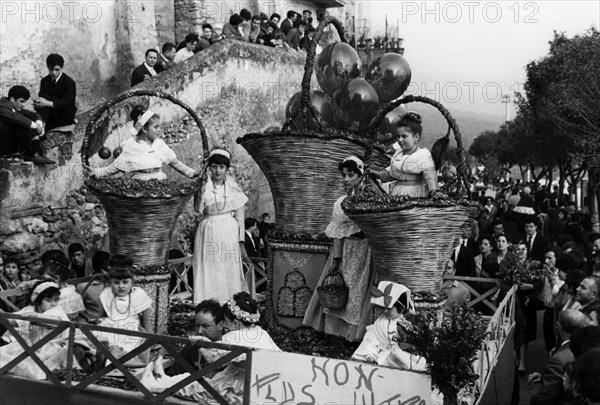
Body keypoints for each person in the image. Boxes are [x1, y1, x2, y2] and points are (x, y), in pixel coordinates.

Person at [141, 292, 280, 403]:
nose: (225, 326)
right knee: (189, 379)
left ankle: (153, 385)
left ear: (236, 323)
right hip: (260, 385)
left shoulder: (233, 337)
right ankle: (162, 377)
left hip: (234, 389)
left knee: (191, 386)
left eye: (226, 322)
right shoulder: (262, 333)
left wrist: (201, 343)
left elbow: (214, 358)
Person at [303, 156, 376, 341]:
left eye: (350, 175)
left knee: (358, 294)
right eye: (343, 175)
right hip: (346, 251)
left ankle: (353, 335)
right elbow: (337, 232)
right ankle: (335, 332)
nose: (345, 179)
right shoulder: (341, 202)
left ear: (360, 176)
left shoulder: (370, 199)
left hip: (365, 252)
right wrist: (336, 258)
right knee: (341, 289)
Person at [192, 149, 249, 303]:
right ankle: (209, 302)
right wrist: (201, 190)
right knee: (210, 265)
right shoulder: (204, 185)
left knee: (227, 264)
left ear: (226, 169)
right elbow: (198, 210)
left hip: (228, 231)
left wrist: (241, 241)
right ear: (209, 168)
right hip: (208, 229)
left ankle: (229, 301)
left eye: (221, 167)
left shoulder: (233, 187)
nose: (218, 170)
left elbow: (240, 217)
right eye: (215, 166)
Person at [88, 105, 197, 180]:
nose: (159, 130)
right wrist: (98, 172)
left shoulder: (159, 145)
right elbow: (116, 167)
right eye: (156, 127)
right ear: (144, 129)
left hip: (159, 184)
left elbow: (175, 163)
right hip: (139, 186)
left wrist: (192, 173)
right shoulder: (132, 146)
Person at [0, 281, 74, 380]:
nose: (53, 304)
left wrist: (38, 317)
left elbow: (58, 322)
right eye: (48, 300)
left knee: (30, 364)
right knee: (5, 354)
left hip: (50, 346)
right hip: (29, 344)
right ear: (38, 301)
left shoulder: (57, 310)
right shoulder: (29, 310)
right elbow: (11, 321)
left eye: (56, 300)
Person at [352, 281, 426, 371]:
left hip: (401, 353)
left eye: (389, 309)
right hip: (383, 351)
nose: (385, 311)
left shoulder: (409, 323)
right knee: (376, 359)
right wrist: (370, 354)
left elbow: (415, 343)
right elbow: (372, 338)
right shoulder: (381, 322)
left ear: (401, 309)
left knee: (408, 362)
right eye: (384, 308)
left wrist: (408, 346)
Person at [371, 112, 442, 198]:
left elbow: (430, 175)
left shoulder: (423, 155)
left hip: (416, 194)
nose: (400, 140)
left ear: (416, 137)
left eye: (404, 136)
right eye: (398, 136)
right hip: (397, 193)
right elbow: (393, 174)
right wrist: (377, 175)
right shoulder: (398, 153)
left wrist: (433, 190)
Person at [530, 309, 587, 405]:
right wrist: (545, 377)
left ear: (559, 327)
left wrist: (532, 399)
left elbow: (546, 398)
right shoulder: (587, 346)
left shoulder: (558, 359)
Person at [94, 266, 152, 355]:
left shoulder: (138, 294)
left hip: (130, 329)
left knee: (125, 347)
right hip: (109, 326)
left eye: (125, 282)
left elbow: (147, 321)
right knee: (98, 341)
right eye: (116, 283)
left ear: (132, 282)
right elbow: (100, 317)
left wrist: (149, 340)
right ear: (110, 283)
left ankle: (115, 355)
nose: (121, 286)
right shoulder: (106, 293)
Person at [166, 299, 224, 376]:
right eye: (197, 326)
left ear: (220, 325)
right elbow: (174, 374)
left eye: (205, 326)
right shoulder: (192, 346)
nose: (199, 331)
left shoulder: (229, 347)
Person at [0, 85, 54, 164]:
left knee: (28, 118)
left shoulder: (16, 109)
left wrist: (39, 125)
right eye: (21, 101)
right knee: (18, 123)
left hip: (13, 144)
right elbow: (14, 117)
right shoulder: (2, 107)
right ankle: (33, 154)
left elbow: (35, 115)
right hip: (2, 145)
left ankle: (38, 154)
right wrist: (35, 126)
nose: (23, 105)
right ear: (12, 99)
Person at [34, 53, 77, 131]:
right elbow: (41, 97)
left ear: (62, 68)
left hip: (64, 115)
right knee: (42, 98)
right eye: (51, 69)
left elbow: (67, 103)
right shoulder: (44, 81)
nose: (54, 73)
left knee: (45, 98)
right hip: (50, 115)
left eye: (57, 69)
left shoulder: (69, 82)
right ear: (48, 68)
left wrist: (48, 103)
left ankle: (41, 127)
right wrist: (38, 102)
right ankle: (41, 127)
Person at [76, 250, 110, 323]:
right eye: (111, 265)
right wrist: (89, 319)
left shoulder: (113, 284)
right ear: (104, 267)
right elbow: (77, 308)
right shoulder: (83, 286)